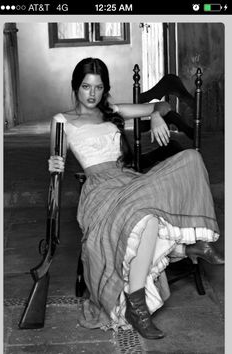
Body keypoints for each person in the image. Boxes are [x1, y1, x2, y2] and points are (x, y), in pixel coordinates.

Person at [48, 57, 224, 339]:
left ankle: (194, 244)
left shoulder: (113, 111)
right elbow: (56, 159)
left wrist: (155, 114)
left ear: (105, 90)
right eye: (85, 87)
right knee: (148, 219)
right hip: (100, 192)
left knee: (191, 157)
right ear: (75, 87)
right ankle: (140, 304)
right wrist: (53, 165)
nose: (92, 94)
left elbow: (163, 105)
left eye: (98, 87)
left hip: (129, 181)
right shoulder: (62, 121)